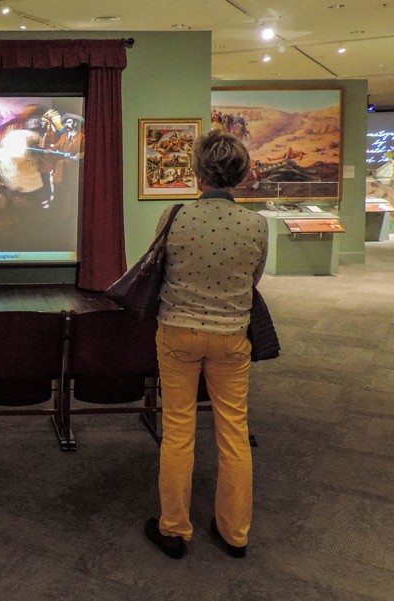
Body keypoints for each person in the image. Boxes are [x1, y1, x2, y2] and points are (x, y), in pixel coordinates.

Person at [144, 129, 268, 560]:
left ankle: (175, 529)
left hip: (177, 331)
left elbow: (160, 271)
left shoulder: (175, 216)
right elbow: (253, 281)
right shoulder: (256, 225)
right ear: (242, 174)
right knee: (233, 432)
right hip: (232, 337)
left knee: (178, 430)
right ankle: (235, 533)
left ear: (198, 173)